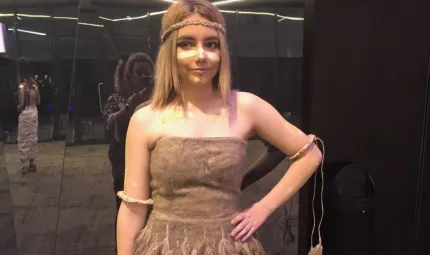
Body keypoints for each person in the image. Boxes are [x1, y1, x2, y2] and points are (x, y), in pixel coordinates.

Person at [116, 1, 323, 254]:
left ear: (222, 51)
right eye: (187, 44)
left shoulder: (246, 107)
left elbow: (310, 154)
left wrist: (264, 208)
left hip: (228, 245)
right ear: (170, 51)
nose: (201, 55)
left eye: (211, 44)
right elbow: (132, 208)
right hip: (164, 245)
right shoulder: (146, 119)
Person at [102, 53, 154, 249]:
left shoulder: (157, 100)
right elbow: (109, 124)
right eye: (139, 73)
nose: (144, 78)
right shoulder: (116, 99)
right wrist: (133, 102)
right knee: (128, 214)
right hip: (124, 170)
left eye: (148, 74)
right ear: (127, 76)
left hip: (152, 171)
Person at [16, 57, 40, 174]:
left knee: (23, 139)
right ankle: (32, 164)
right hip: (34, 112)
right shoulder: (34, 84)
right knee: (32, 138)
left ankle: (23, 166)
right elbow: (39, 101)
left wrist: (17, 108)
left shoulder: (22, 85)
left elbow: (21, 103)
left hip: (25, 113)